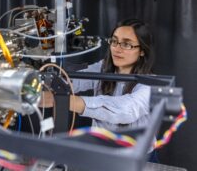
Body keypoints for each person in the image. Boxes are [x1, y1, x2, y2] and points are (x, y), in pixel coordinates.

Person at [41, 18, 158, 162]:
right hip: (104, 155)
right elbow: (74, 81)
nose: (117, 48)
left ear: (142, 51)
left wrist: (65, 101)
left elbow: (125, 110)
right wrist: (38, 84)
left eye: (126, 44)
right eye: (114, 41)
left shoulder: (150, 83)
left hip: (138, 159)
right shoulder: (103, 68)